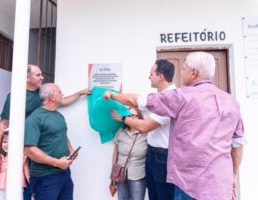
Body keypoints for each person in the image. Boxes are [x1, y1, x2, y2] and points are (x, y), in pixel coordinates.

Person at [104, 52, 245, 200]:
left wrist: (113, 95)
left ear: (193, 73)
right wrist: (233, 175)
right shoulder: (231, 102)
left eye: (183, 69)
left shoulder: (180, 97)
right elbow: (238, 144)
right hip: (220, 184)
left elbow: (135, 101)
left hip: (189, 185)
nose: (181, 72)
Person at [0, 64, 90, 199]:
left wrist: (70, 150)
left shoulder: (56, 113)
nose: (42, 77)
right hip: (41, 169)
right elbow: (6, 125)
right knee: (23, 186)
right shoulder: (22, 103)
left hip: (62, 172)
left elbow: (61, 131)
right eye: (38, 75)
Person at [111, 59, 175, 200]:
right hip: (152, 154)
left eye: (151, 73)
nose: (148, 76)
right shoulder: (158, 97)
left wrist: (122, 118)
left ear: (161, 76)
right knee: (154, 195)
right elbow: (134, 99)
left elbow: (145, 126)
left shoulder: (170, 99)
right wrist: (113, 95)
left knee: (163, 195)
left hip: (163, 156)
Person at [24, 83, 87, 200]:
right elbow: (30, 150)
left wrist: (71, 149)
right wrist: (57, 163)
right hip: (45, 177)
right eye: (59, 92)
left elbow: (62, 134)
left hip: (64, 173)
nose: (62, 94)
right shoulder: (35, 118)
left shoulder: (58, 116)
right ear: (52, 97)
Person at [112, 107, 147, 200]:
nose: (132, 118)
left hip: (138, 174)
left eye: (135, 116)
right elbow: (116, 150)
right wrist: (113, 169)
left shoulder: (146, 133)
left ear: (139, 117)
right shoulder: (121, 132)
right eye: (129, 116)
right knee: (122, 198)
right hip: (120, 173)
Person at [0, 129, 29, 200]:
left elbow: (27, 175)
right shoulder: (0, 158)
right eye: (4, 142)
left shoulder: (21, 157)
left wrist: (33, 189)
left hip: (17, 187)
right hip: (1, 188)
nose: (7, 144)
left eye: (11, 142)